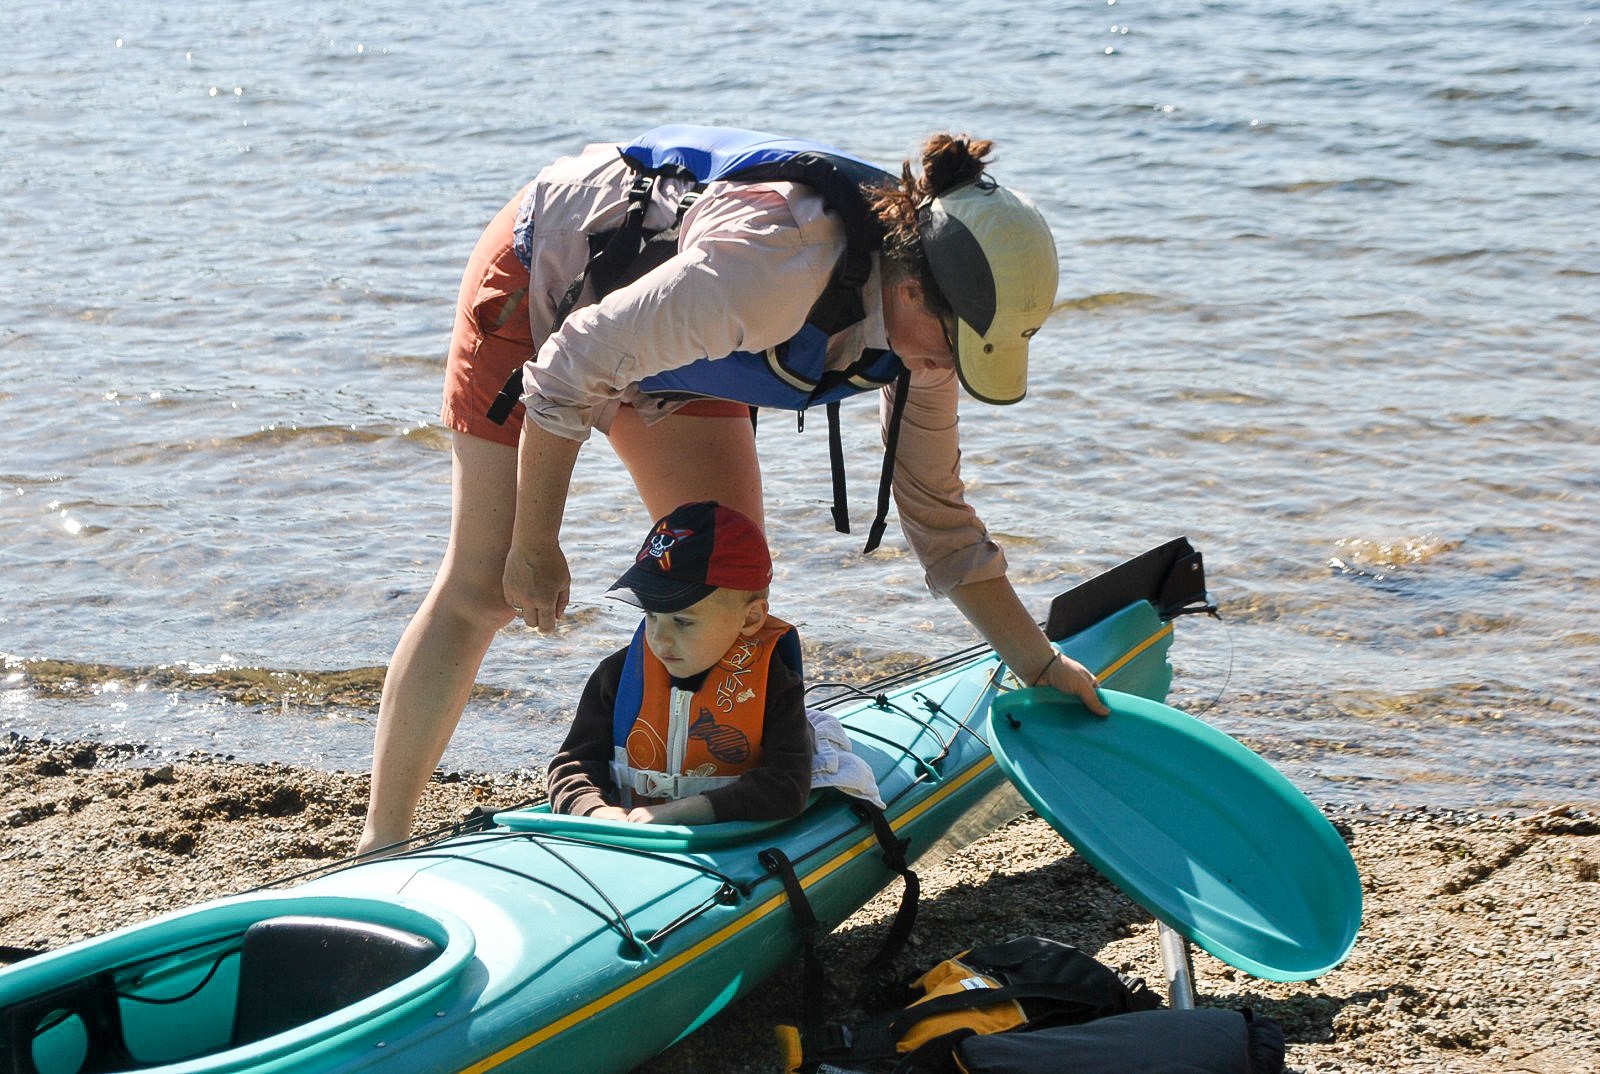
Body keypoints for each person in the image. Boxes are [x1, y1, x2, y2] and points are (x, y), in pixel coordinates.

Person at [358, 123, 1108, 855]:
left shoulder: (926, 348)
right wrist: (536, 544)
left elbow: (939, 520)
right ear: (912, 290)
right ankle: (380, 842)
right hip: (548, 286)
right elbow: (563, 371)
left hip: (668, 346)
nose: (954, 369)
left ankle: (691, 799)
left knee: (729, 598)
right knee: (486, 585)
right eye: (958, 346)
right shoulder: (771, 272)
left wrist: (1039, 663)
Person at [546, 500, 810, 825]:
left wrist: (680, 812)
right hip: (624, 827)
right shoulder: (615, 676)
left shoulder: (775, 683)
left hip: (725, 836)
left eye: (683, 622)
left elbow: (788, 787)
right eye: (652, 616)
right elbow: (570, 767)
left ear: (751, 618)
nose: (660, 639)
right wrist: (595, 810)